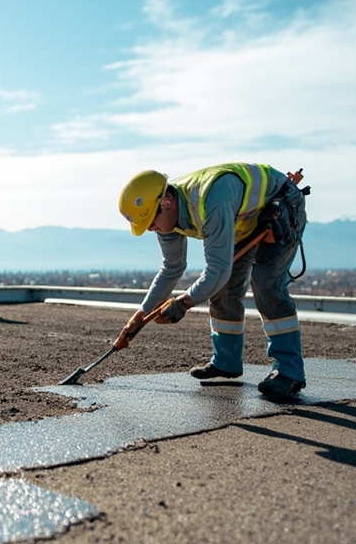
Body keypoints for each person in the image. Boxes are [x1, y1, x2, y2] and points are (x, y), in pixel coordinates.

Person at [115, 163, 308, 399]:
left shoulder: (209, 200)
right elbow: (172, 268)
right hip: (243, 220)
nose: (151, 229)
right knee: (222, 289)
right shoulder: (165, 219)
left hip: (281, 206)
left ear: (166, 202)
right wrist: (140, 315)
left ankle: (289, 371)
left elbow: (217, 269)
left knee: (266, 285)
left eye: (151, 223)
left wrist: (183, 303)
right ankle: (226, 362)